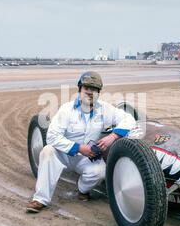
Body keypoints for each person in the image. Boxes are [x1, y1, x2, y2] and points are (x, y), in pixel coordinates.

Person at [26, 71, 136, 213]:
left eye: (94, 89)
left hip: (87, 157)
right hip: (64, 154)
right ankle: (40, 199)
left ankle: (82, 190)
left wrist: (113, 136)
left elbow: (129, 119)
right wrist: (78, 148)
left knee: (101, 171)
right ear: (80, 89)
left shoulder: (104, 109)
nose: (90, 92)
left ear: (98, 92)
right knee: (47, 151)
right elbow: (52, 136)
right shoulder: (66, 109)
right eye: (87, 88)